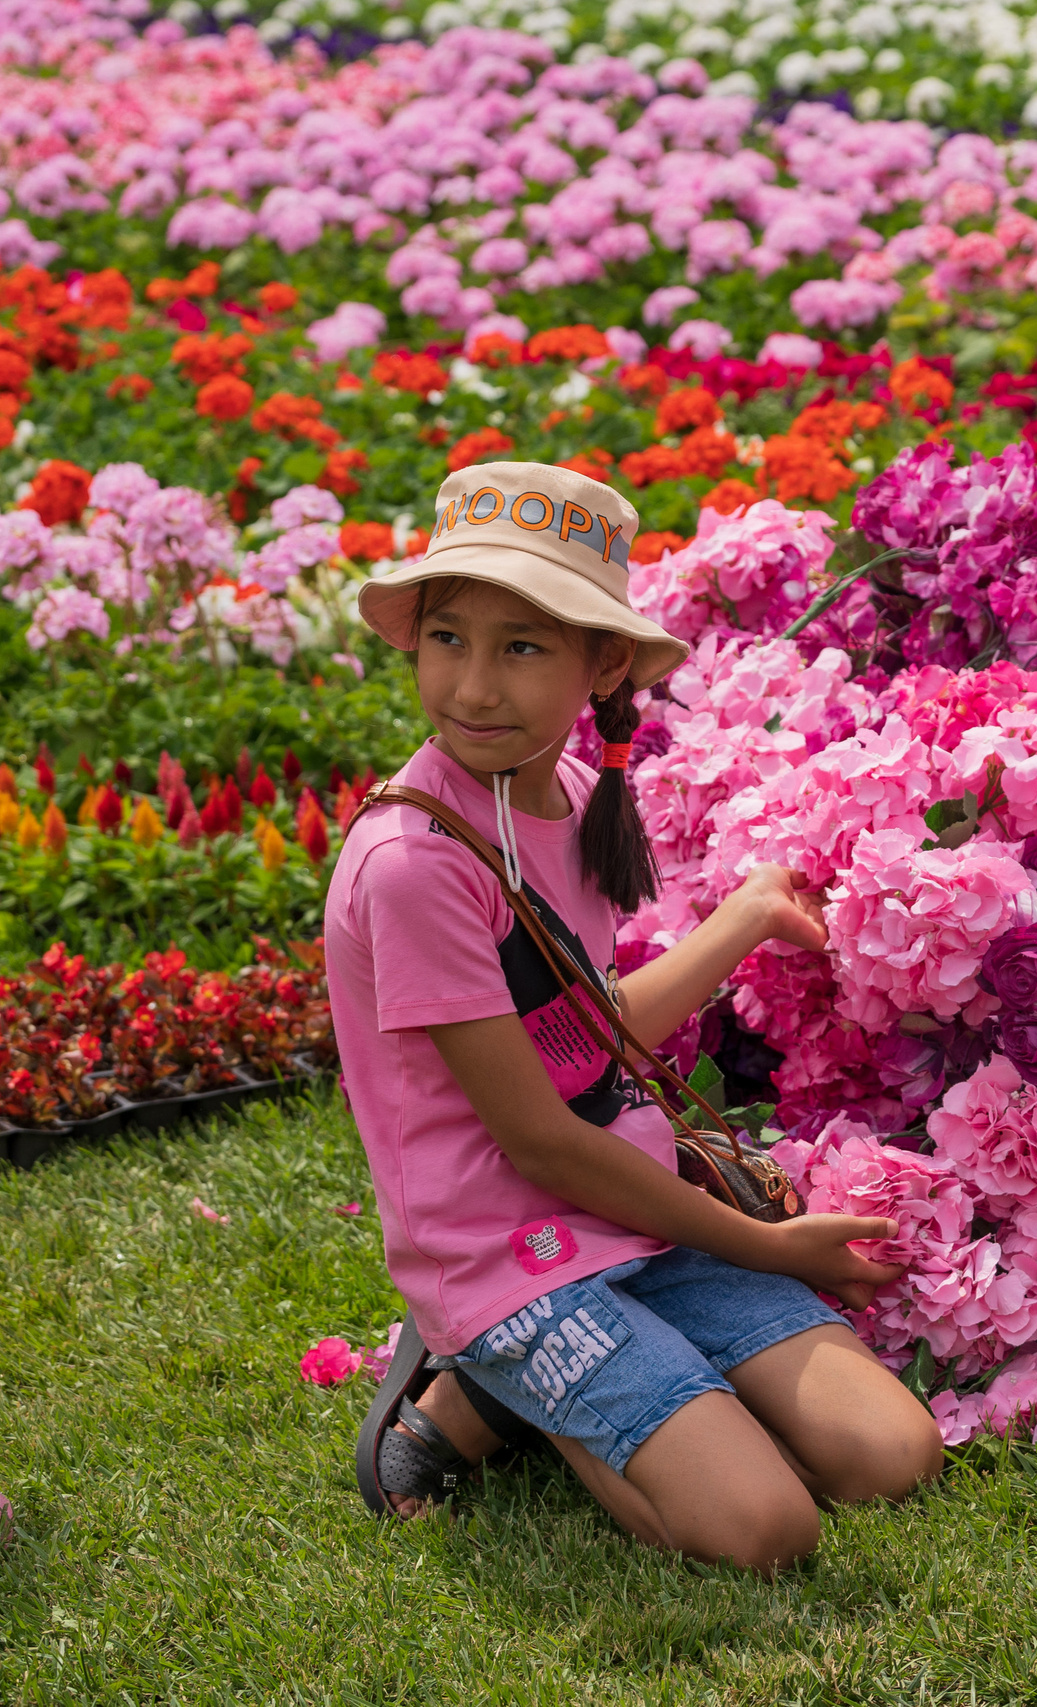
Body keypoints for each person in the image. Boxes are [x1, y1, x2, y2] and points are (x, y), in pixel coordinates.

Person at [326, 464, 942, 1573]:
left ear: (601, 664)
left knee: (891, 1454)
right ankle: (494, 1385)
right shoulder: (414, 862)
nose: (470, 685)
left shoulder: (564, 789)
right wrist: (762, 1245)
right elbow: (541, 1141)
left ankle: (543, 1393)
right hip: (511, 1251)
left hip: (634, 1214)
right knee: (762, 1532)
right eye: (447, 637)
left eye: (521, 647)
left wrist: (747, 917)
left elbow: (583, 1040)